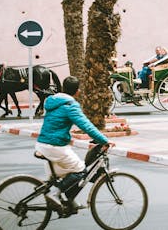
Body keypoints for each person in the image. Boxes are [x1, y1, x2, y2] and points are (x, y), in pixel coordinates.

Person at [35, 76, 115, 210]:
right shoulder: (70, 105)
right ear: (77, 91)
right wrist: (104, 140)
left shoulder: (52, 101)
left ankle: (69, 201)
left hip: (43, 143)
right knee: (80, 170)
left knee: (65, 175)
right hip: (55, 146)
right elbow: (86, 126)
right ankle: (55, 194)